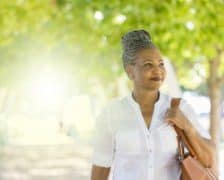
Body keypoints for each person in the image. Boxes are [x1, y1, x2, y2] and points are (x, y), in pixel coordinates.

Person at [90, 29, 217, 180]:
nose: (157, 70)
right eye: (148, 65)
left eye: (161, 64)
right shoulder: (111, 114)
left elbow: (210, 159)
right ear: (130, 71)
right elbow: (100, 167)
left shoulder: (179, 107)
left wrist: (187, 126)